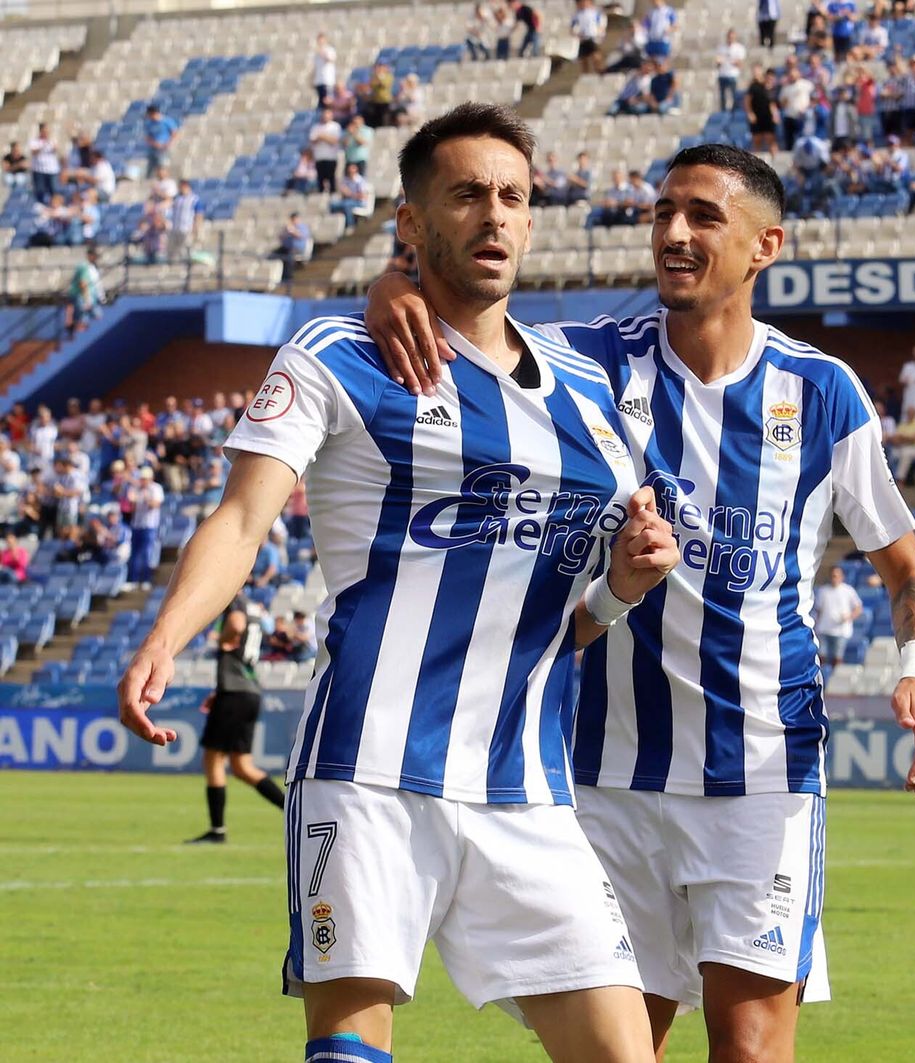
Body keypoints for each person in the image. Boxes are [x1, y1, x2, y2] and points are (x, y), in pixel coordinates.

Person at [117, 102, 679, 1063]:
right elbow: (243, 518)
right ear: (411, 225)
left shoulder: (591, 398)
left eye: (513, 196)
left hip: (527, 788)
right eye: (466, 195)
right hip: (368, 769)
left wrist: (623, 585)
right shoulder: (338, 357)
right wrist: (168, 633)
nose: (495, 215)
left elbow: (565, 622)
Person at [364, 143, 915, 1062]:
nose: (674, 233)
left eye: (703, 217)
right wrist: (390, 286)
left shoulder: (824, 394)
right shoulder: (591, 363)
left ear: (765, 245)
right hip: (605, 772)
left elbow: (911, 572)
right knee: (622, 1047)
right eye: (664, 211)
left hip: (760, 769)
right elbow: (463, 321)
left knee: (752, 1047)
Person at [186, 596, 286, 844]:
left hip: (234, 692)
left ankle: (217, 830)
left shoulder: (235, 603)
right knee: (242, 766)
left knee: (213, 758)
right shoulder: (255, 607)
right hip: (249, 691)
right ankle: (294, 812)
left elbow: (237, 625)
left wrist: (223, 640)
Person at [813, 565, 863, 667]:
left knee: (837, 657)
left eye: (836, 575)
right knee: (821, 656)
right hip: (824, 629)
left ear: (842, 576)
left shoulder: (848, 590)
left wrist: (849, 617)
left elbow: (858, 608)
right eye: (833, 575)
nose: (834, 577)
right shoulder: (823, 591)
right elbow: (819, 610)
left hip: (841, 630)